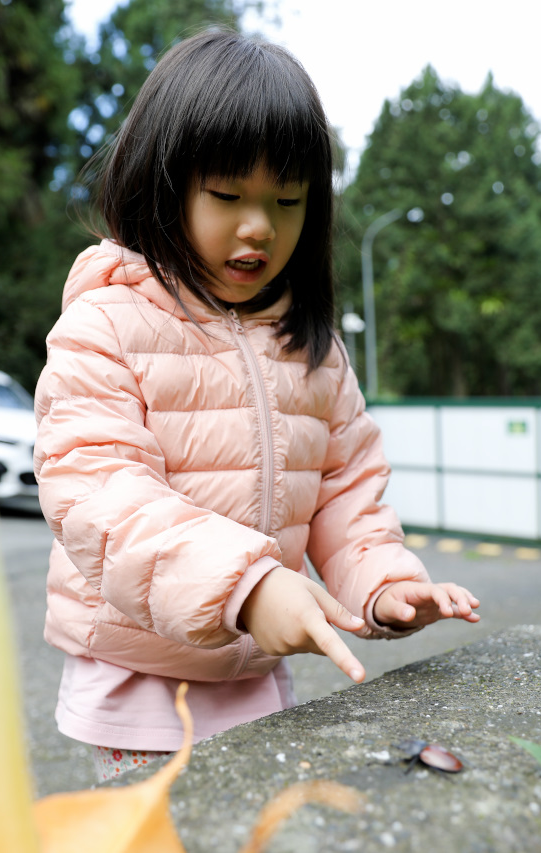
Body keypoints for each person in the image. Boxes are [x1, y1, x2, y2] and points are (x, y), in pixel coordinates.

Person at [33, 28, 479, 782]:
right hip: (143, 683)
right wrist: (247, 585)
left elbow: (345, 499)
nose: (259, 227)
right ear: (159, 184)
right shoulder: (103, 325)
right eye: (227, 195)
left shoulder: (311, 347)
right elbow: (102, 496)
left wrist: (382, 582)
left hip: (255, 672)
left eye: (287, 200)